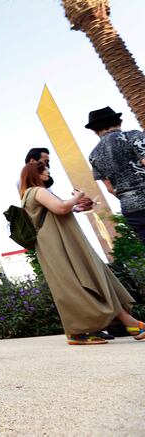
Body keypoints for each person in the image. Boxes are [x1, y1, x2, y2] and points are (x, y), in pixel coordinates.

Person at [19, 160, 145, 344]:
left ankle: (129, 325)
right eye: (45, 170)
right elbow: (60, 207)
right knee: (82, 282)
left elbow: (59, 210)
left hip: (57, 245)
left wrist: (77, 206)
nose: (47, 173)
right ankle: (81, 332)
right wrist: (78, 197)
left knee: (87, 280)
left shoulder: (29, 195)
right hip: (60, 245)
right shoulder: (37, 191)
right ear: (36, 174)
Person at [87, 106, 145, 248]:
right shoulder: (133, 136)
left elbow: (110, 189)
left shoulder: (94, 156)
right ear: (119, 122)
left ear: (95, 130)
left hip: (132, 210)